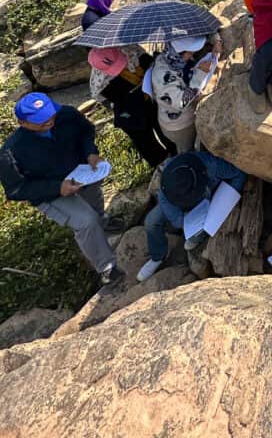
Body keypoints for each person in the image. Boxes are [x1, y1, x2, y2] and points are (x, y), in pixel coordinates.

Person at [0, 93, 124, 285]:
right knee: (86, 221)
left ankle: (103, 222)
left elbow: (85, 131)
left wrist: (90, 152)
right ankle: (107, 267)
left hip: (81, 174)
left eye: (50, 115)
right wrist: (57, 188)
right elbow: (16, 189)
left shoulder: (66, 115)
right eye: (40, 121)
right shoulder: (12, 152)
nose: (49, 121)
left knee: (95, 201)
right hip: (50, 192)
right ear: (22, 123)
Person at [137, 150, 247, 281]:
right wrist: (185, 220)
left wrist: (227, 197)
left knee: (204, 227)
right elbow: (178, 222)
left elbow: (238, 174)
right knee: (151, 221)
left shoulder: (211, 166)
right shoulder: (168, 186)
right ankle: (158, 256)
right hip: (178, 202)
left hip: (210, 200)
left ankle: (198, 237)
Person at [88, 47, 167, 167]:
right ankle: (161, 165)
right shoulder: (100, 82)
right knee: (145, 142)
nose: (120, 69)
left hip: (151, 100)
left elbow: (150, 63)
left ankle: (177, 152)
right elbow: (112, 99)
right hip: (129, 113)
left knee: (164, 128)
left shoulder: (132, 52)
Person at [151, 35, 221, 153]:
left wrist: (217, 41)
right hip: (179, 126)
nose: (193, 55)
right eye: (190, 52)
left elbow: (208, 32)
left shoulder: (171, 57)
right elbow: (182, 102)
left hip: (178, 119)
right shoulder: (163, 77)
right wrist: (199, 74)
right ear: (180, 53)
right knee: (187, 150)